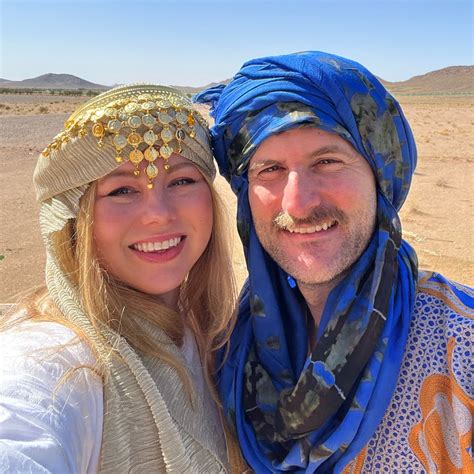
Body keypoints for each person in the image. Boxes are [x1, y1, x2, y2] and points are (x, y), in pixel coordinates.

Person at [195, 52, 473, 473]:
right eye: (269, 169)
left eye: (327, 162)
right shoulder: (227, 350)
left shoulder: (461, 347)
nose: (298, 204)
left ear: (380, 177)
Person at [0, 84, 239, 472]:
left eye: (181, 181)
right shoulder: (51, 362)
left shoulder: (215, 333)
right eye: (122, 189)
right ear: (76, 218)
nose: (158, 213)